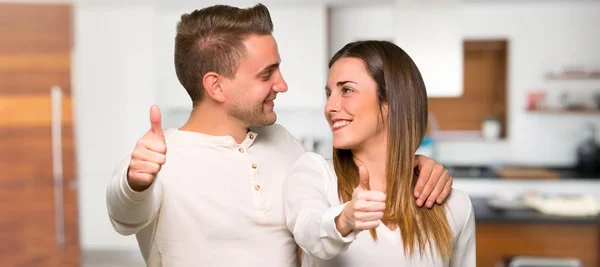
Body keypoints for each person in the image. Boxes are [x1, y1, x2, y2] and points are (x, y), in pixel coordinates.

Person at [106, 4, 454, 267]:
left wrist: (415, 165)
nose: (282, 85)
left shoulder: (283, 143)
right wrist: (135, 182)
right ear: (216, 86)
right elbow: (125, 216)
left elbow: (330, 194)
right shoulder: (158, 158)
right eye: (266, 74)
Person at [284, 40, 475, 267]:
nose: (329, 107)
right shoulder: (314, 173)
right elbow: (309, 232)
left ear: (391, 101)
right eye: (329, 94)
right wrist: (344, 219)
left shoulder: (455, 207)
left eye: (347, 90)